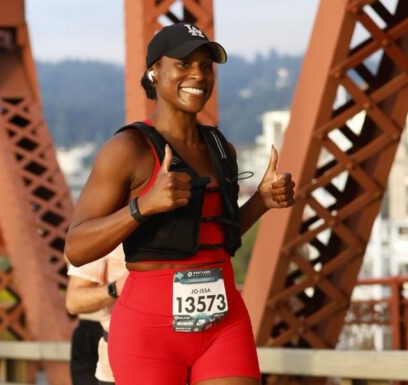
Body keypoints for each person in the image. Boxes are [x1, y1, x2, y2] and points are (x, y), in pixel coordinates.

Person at [65, 23, 295, 385]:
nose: (197, 75)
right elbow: (76, 247)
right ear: (154, 72)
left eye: (206, 66)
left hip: (223, 322)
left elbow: (216, 237)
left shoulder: (222, 149)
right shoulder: (128, 149)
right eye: (184, 64)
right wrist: (143, 206)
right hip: (148, 331)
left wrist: (262, 202)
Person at [66, 246, 127, 385]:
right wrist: (117, 287)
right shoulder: (101, 231)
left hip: (169, 354)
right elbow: (72, 301)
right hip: (102, 338)